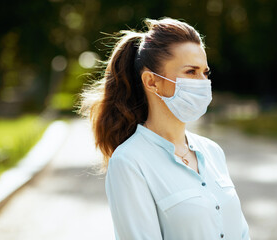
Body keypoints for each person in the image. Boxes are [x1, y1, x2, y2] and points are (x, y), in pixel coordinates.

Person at [79, 17, 250, 240]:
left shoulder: (213, 151)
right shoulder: (129, 162)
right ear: (151, 82)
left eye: (205, 73)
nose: (202, 82)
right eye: (190, 72)